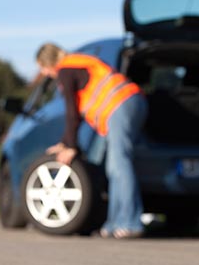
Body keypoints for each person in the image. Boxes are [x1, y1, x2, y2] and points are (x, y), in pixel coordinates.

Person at [36, 43, 148, 239]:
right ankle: (114, 224)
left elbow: (72, 112)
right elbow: (76, 115)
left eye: (42, 68)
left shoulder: (65, 69)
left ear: (47, 62)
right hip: (129, 102)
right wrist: (65, 143)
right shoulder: (76, 64)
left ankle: (130, 222)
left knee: (119, 163)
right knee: (114, 166)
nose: (44, 73)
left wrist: (70, 146)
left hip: (120, 103)